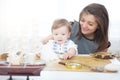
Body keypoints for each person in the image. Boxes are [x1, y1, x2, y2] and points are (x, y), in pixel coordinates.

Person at [41, 3, 110, 54]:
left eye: (90, 24)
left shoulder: (102, 43)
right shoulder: (71, 27)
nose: (84, 26)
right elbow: (45, 41)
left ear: (99, 26)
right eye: (82, 20)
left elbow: (100, 62)